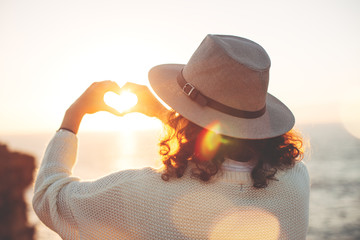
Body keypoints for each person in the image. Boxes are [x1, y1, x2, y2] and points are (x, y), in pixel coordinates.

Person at [33, 34, 310, 239]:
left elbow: (49, 198)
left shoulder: (142, 194)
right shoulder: (296, 180)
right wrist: (163, 114)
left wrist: (72, 117)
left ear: (186, 115)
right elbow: (227, 136)